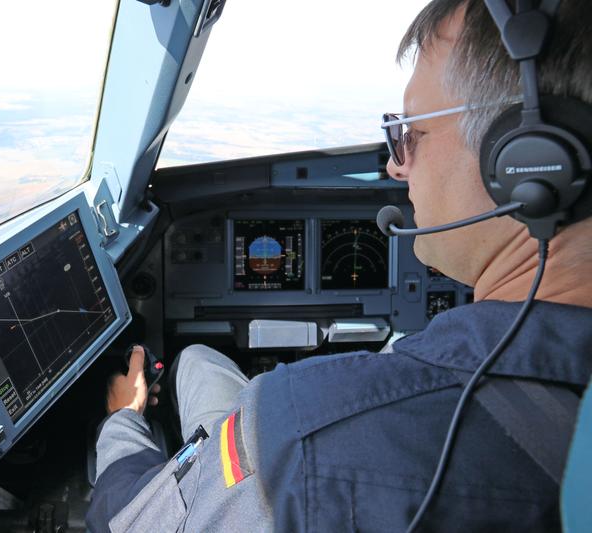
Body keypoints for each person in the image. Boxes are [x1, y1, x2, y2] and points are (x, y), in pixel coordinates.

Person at [87, 0, 592, 531]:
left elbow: (131, 521)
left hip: (269, 454)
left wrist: (124, 421)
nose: (396, 164)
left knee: (195, 363)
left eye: (410, 132)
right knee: (196, 363)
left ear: (528, 163)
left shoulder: (316, 431)